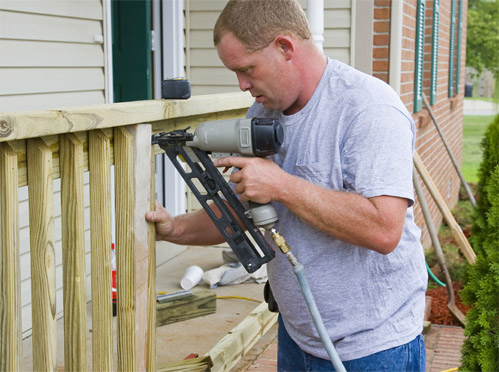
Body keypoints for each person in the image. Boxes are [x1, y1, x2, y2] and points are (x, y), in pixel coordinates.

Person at [146, 0, 428, 370]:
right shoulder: (263, 113)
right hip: (298, 338)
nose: (243, 85)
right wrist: (176, 229)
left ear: (285, 47)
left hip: (372, 349)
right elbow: (236, 211)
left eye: (247, 69)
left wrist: (282, 186)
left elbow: (384, 229)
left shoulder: (368, 109)